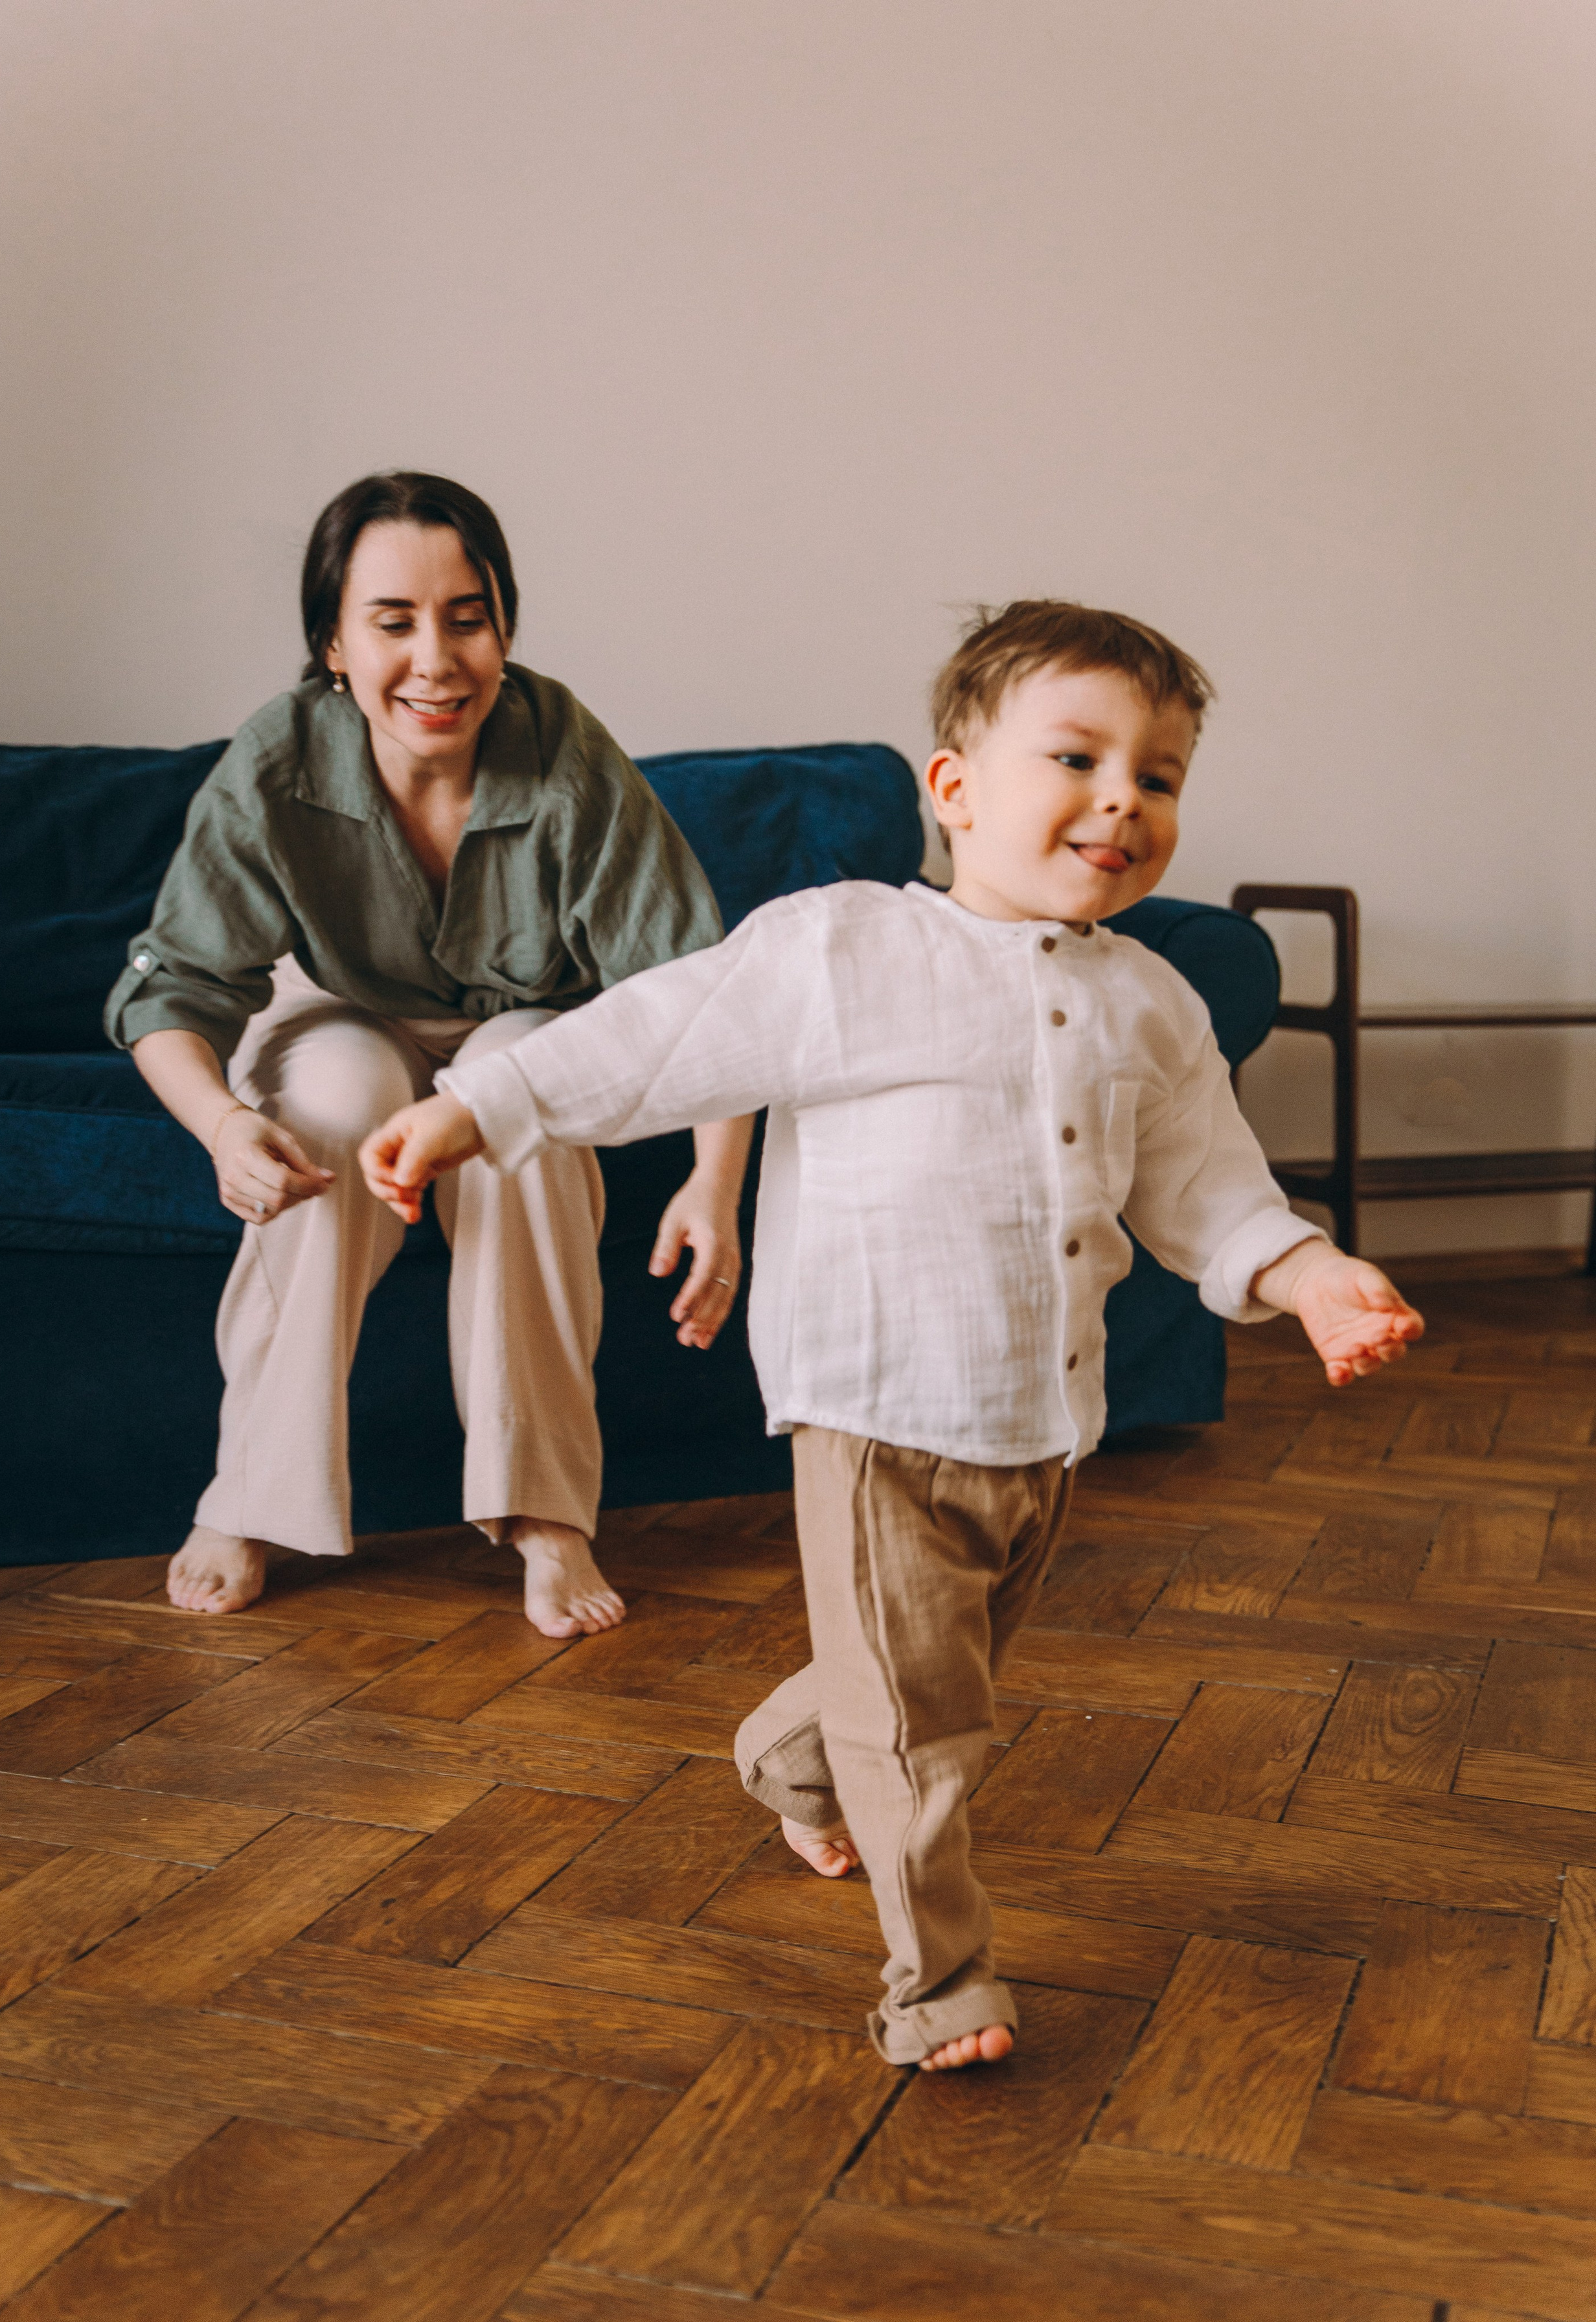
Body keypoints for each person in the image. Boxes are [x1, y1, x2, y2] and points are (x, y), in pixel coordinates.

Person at [354, 598, 1424, 2071]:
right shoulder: (841, 949)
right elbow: (656, 1034)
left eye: (1158, 774)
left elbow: (1204, 1184)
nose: (1121, 796)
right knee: (928, 1735)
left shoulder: (1154, 1004)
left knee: (933, 1681)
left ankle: (787, 1757)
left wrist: (1304, 1276)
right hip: (872, 1403)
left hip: (1043, 1421)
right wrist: (481, 1107)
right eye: (1075, 756)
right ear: (954, 786)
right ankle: (938, 1985)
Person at [105, 471, 752, 1635]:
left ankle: (547, 1511)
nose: (437, 660)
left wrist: (715, 1182)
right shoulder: (277, 758)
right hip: (332, 1012)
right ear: (334, 644)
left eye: (468, 615)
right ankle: (250, 1494)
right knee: (338, 1104)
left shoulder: (565, 753)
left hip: (523, 1021)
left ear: (505, 622)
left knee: (519, 1113)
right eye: (393, 623)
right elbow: (174, 989)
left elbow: (693, 991)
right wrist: (219, 1127)